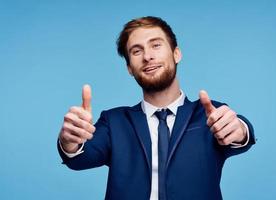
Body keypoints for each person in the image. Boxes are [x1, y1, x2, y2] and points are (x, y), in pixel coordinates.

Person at [57, 16, 255, 200]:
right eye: (136, 51)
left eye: (156, 45)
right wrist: (69, 142)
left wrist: (240, 129)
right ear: (129, 68)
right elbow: (79, 158)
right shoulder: (114, 121)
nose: (147, 56)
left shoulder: (209, 115)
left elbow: (238, 134)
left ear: (176, 53)